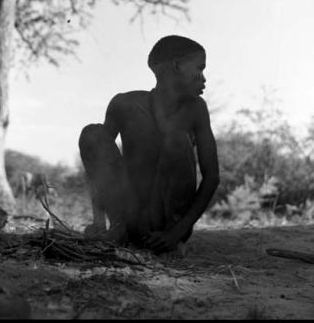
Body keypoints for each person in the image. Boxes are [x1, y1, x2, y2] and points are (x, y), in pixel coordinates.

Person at [79, 35, 220, 255]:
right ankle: (118, 230)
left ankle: (172, 242)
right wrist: (98, 222)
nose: (203, 78)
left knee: (176, 140)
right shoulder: (124, 104)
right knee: (92, 133)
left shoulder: (196, 109)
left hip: (165, 225)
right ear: (177, 66)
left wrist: (177, 233)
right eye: (199, 69)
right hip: (129, 215)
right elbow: (98, 160)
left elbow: (212, 177)